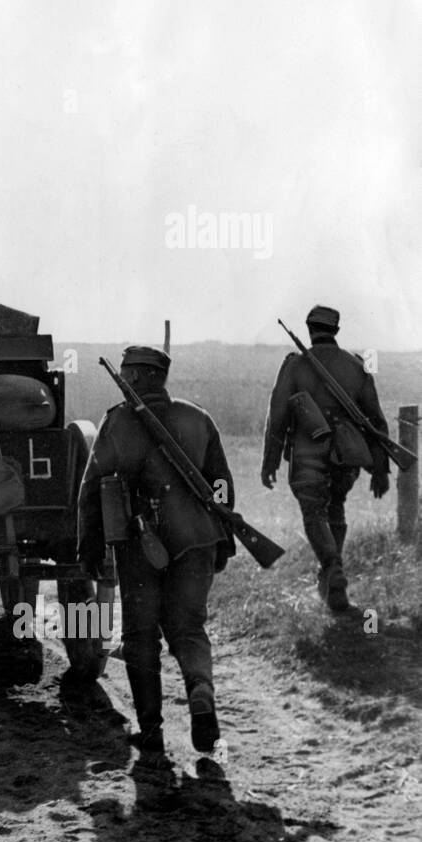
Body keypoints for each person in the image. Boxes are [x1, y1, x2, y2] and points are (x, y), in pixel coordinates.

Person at [77, 346, 235, 757]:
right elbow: (221, 486)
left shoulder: (116, 422)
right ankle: (200, 688)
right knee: (189, 628)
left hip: (138, 545)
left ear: (132, 377)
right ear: (160, 378)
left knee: (141, 635)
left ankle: (150, 730)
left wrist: (89, 545)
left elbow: (91, 489)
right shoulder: (198, 417)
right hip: (197, 539)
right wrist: (224, 537)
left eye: (127, 373)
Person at [261, 305, 390, 613]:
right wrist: (380, 469)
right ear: (336, 331)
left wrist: (271, 460)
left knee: (314, 514)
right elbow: (376, 421)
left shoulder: (294, 365)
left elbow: (277, 414)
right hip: (346, 455)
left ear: (309, 329)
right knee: (336, 508)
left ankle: (333, 572)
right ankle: (331, 582)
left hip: (307, 452)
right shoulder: (356, 366)